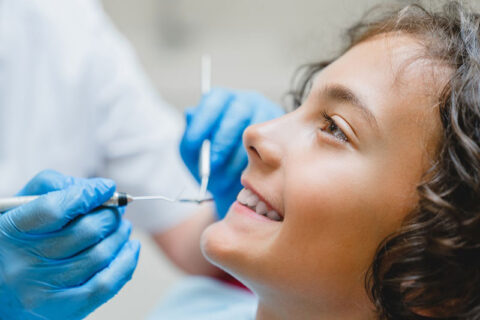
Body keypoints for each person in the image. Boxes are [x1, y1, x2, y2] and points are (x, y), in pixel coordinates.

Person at [149, 1, 480, 319]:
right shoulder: (192, 305)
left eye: (334, 129)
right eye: (298, 106)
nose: (256, 133)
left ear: (432, 283)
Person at [0, 0, 283, 319]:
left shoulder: (63, 23)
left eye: (333, 127)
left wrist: (233, 207)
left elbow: (194, 239)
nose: (262, 138)